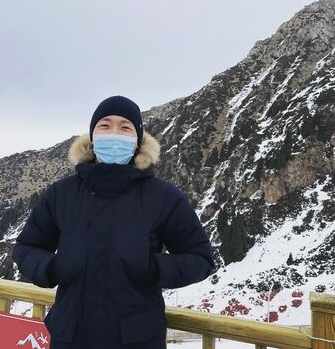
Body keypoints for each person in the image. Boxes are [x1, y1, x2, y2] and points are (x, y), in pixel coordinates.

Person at [12, 95, 215, 349]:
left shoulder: (164, 197)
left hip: (136, 339)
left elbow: (200, 259)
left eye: (125, 127)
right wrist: (52, 267)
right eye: (105, 125)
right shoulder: (61, 194)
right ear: (92, 136)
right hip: (71, 337)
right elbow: (25, 248)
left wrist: (153, 268)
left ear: (137, 140)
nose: (114, 133)